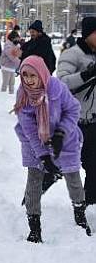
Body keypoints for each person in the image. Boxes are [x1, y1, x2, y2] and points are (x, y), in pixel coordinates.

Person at [14, 55, 91, 243]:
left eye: (33, 75)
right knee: (34, 182)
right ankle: (34, 228)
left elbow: (73, 109)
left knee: (73, 179)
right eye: (25, 75)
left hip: (65, 139)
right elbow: (29, 128)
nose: (29, 80)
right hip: (34, 142)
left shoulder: (57, 88)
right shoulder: (23, 94)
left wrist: (60, 133)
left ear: (42, 73)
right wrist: (43, 156)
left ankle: (80, 216)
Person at [57, 16, 96, 206]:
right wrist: (87, 73)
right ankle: (33, 195)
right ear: (88, 34)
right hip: (73, 122)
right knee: (59, 164)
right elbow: (61, 83)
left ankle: (87, 205)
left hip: (94, 122)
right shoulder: (72, 54)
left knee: (94, 165)